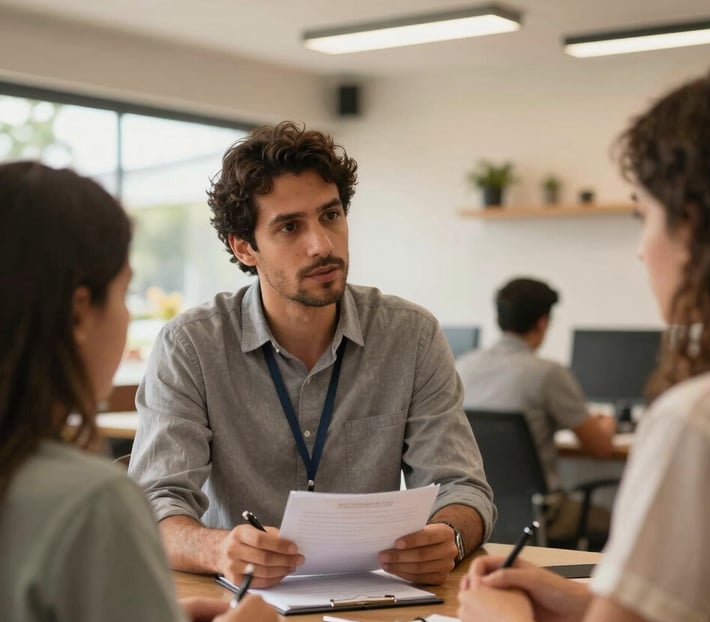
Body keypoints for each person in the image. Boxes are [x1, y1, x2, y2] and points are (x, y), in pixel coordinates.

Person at [458, 64, 710, 622]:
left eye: (644, 216)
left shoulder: (705, 422)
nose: (640, 247)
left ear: (697, 226)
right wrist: (591, 607)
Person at [0, 161, 283, 622]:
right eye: (124, 292)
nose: (127, 318)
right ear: (79, 313)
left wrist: (142, 621)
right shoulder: (87, 500)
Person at [128, 121, 495, 588]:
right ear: (245, 247)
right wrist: (218, 548)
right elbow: (155, 504)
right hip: (240, 602)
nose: (322, 244)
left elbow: (463, 487)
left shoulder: (412, 336)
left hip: (376, 600)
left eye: (331, 216)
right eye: (289, 227)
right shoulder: (192, 346)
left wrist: (449, 536)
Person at [456, 277, 616, 543]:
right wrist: (608, 424)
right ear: (542, 322)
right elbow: (600, 448)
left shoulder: (462, 367)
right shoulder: (547, 374)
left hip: (476, 508)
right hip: (540, 514)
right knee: (615, 520)